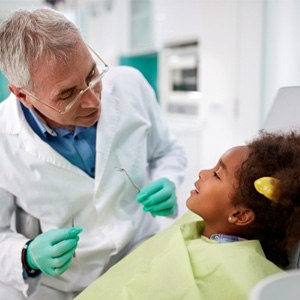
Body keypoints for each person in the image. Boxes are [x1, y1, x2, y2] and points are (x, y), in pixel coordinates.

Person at [0, 8, 187, 299]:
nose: (92, 100)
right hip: (63, 283)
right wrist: (26, 256)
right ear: (23, 95)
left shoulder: (130, 85)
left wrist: (168, 180)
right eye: (67, 94)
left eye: (92, 75)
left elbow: (168, 152)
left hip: (141, 251)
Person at [75, 131, 300, 300]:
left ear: (240, 214)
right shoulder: (196, 224)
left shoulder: (246, 274)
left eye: (217, 175)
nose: (203, 172)